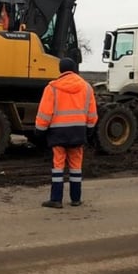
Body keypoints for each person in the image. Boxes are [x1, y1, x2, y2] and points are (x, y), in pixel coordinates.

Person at [35, 57, 98, 208]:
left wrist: (40, 131)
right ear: (75, 69)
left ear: (60, 70)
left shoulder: (52, 87)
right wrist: (89, 130)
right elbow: (92, 114)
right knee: (76, 166)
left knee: (58, 166)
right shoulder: (87, 87)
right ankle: (76, 199)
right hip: (78, 132)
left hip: (58, 133)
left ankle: (56, 199)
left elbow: (45, 113)